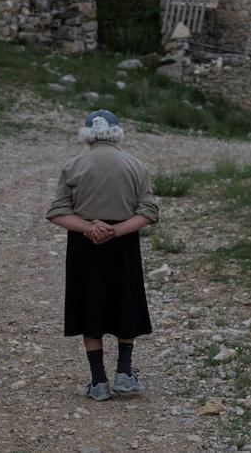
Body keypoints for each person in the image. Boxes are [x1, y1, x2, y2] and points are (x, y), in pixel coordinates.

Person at [46, 109, 158, 401]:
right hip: (124, 246)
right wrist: (115, 231)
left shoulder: (73, 166)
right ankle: (124, 373)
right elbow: (149, 212)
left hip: (85, 247)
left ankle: (98, 382)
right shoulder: (136, 166)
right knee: (125, 303)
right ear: (118, 133)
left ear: (87, 135)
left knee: (89, 306)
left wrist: (89, 227)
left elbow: (57, 212)